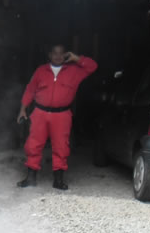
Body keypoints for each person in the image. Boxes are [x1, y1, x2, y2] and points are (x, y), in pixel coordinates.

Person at [16, 44, 98, 190]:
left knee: (61, 146)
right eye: (55, 53)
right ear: (50, 55)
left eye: (61, 53)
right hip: (40, 113)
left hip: (62, 115)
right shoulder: (41, 71)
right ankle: (31, 178)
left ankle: (58, 180)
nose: (58, 56)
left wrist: (77, 59)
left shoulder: (74, 71)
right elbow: (30, 90)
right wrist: (23, 109)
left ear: (66, 55)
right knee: (33, 144)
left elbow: (93, 66)